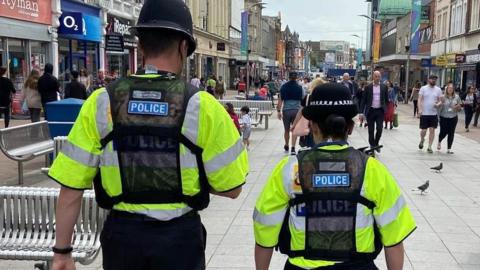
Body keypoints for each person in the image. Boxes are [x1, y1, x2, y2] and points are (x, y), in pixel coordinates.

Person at [49, 1, 249, 269]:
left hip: (122, 240)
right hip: (180, 241)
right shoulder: (201, 106)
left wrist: (62, 252)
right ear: (183, 47)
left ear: (140, 46)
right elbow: (233, 188)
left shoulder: (101, 102)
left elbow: (71, 187)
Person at [253, 83, 416, 270]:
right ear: (351, 128)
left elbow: (264, 230)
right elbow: (394, 238)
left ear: (313, 126)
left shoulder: (290, 168)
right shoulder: (372, 169)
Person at [361, 71, 389, 152]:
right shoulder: (368, 87)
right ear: (373, 77)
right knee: (371, 130)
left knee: (380, 128)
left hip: (380, 111)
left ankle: (376, 143)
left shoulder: (384, 87)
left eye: (379, 76)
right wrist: (361, 112)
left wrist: (385, 108)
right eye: (376, 76)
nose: (377, 78)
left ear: (380, 77)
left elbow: (386, 99)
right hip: (371, 111)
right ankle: (372, 145)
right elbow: (364, 100)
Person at [277, 72, 304, 154]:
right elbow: (302, 100)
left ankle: (286, 144)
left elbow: (280, 101)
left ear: (289, 77)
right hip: (296, 111)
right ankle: (293, 148)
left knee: (286, 130)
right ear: (296, 78)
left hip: (286, 111)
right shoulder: (300, 88)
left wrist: (278, 111)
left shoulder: (283, 87)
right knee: (295, 129)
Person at [418, 75, 443, 154]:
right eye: (432, 79)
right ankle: (422, 140)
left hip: (433, 114)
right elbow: (419, 99)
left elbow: (441, 101)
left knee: (432, 130)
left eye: (435, 80)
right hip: (424, 113)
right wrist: (419, 109)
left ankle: (429, 146)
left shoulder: (438, 90)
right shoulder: (423, 88)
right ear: (429, 80)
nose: (434, 81)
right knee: (424, 131)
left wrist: (438, 104)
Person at [438, 83, 462, 154]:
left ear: (453, 89)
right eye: (449, 88)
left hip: (453, 117)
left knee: (451, 133)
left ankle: (449, 149)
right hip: (443, 117)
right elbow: (439, 107)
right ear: (446, 89)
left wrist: (458, 107)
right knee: (444, 131)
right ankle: (439, 141)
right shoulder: (442, 97)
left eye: (452, 88)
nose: (450, 90)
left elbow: (460, 107)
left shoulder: (457, 97)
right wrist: (438, 116)